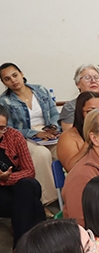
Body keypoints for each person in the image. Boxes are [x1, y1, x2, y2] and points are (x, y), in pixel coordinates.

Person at [0, 62, 60, 204]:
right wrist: (35, 133)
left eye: (15, 75)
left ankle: (70, 192)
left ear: (22, 74)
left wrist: (53, 127)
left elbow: (53, 113)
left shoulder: (40, 90)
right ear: (3, 82)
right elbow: (8, 130)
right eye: (7, 79)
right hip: (25, 137)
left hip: (49, 133)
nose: (13, 80)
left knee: (63, 150)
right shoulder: (5, 101)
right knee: (41, 154)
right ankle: (49, 200)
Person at [0, 105, 47, 253]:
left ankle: (19, 247)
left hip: (19, 188)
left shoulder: (14, 136)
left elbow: (29, 171)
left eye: (2, 128)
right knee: (32, 205)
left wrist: (7, 178)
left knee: (27, 186)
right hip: (4, 197)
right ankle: (26, 248)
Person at [59, 64, 99, 130]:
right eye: (87, 78)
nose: (93, 81)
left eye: (96, 77)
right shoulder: (70, 107)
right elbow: (70, 135)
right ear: (78, 84)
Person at [56, 91, 99, 171]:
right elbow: (71, 168)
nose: (97, 115)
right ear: (80, 112)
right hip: (84, 178)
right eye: (90, 111)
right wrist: (88, 143)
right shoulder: (68, 137)